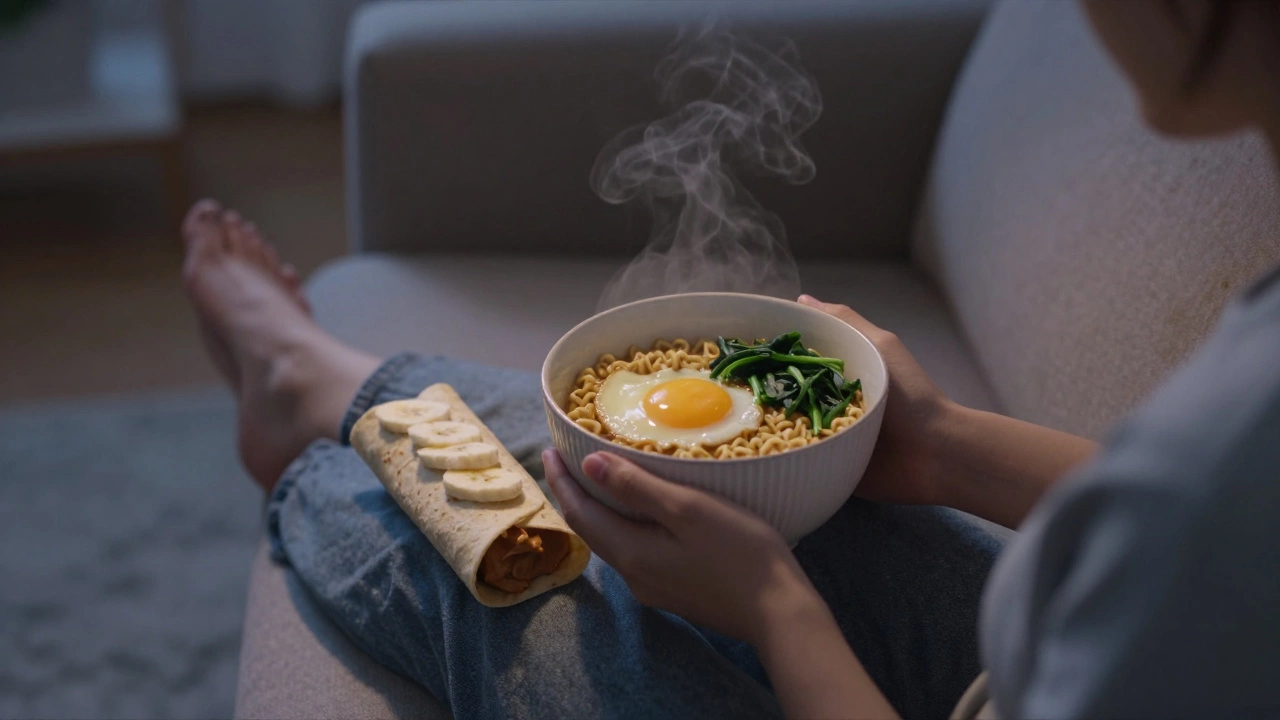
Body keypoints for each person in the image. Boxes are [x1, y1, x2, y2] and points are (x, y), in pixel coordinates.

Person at [184, 1, 1280, 717]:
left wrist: (772, 606)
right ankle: (316, 380)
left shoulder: (1213, 464)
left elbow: (1201, 517)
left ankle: (312, 440)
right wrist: (943, 448)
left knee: (529, 577)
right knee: (612, 470)